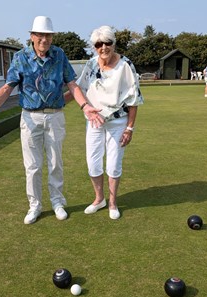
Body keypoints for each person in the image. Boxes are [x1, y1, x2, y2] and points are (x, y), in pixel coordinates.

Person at [0, 16, 103, 224]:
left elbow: (72, 84)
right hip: (30, 117)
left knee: (55, 163)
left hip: (55, 116)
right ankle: (34, 206)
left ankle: (57, 202)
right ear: (32, 36)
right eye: (40, 34)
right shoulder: (20, 57)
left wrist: (85, 105)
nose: (44, 39)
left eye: (48, 35)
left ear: (52, 37)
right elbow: (9, 86)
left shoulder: (59, 55)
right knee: (32, 166)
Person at [65, 26, 143, 219]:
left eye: (107, 43)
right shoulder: (91, 64)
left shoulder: (125, 65)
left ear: (113, 43)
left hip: (118, 122)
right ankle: (99, 199)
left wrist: (130, 128)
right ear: (94, 47)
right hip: (94, 121)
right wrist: (55, 104)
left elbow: (133, 99)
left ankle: (113, 203)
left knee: (114, 165)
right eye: (98, 44)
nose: (103, 48)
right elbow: (78, 89)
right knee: (92, 163)